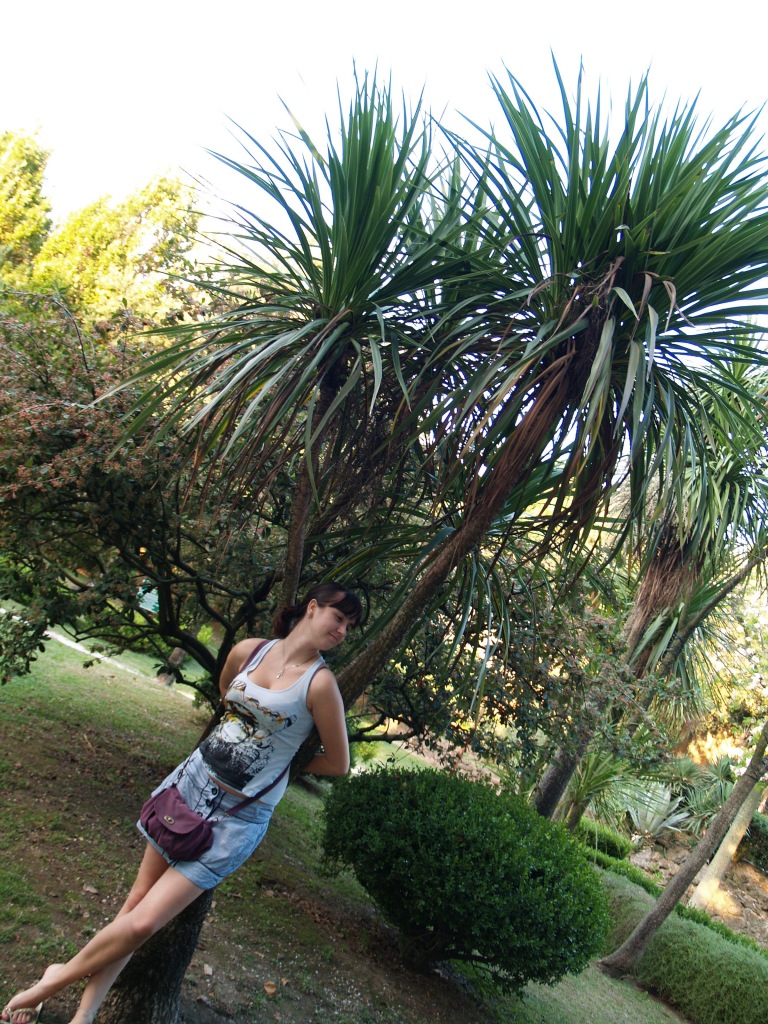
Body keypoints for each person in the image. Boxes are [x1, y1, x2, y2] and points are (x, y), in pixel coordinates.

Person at [2, 582, 361, 1024]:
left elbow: (338, 763)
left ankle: (48, 983)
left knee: (143, 923)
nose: (343, 630)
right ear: (312, 608)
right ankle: (85, 1015)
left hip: (236, 819)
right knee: (134, 906)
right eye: (339, 618)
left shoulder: (321, 684)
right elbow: (227, 690)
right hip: (190, 785)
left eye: (350, 626)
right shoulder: (249, 650)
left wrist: (279, 768)